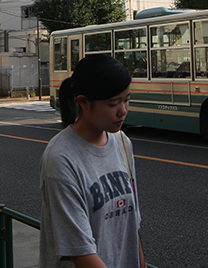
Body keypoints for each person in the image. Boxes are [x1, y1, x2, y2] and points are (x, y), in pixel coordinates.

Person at [39, 55, 147, 268]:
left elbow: (132, 226)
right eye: (113, 103)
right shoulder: (61, 158)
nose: (123, 111)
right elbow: (80, 251)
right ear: (83, 102)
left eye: (126, 100)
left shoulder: (122, 142)